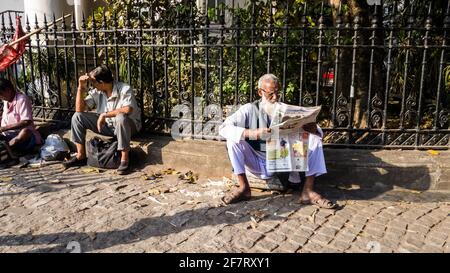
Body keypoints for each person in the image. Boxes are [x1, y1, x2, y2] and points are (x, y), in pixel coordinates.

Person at [218, 73, 337, 209]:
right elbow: (224, 128)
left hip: (282, 160)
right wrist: (252, 133)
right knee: (233, 141)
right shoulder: (249, 109)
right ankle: (244, 187)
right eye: (271, 94)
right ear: (260, 92)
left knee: (315, 139)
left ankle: (307, 191)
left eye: (277, 93)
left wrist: (313, 128)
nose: (275, 98)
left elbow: (315, 133)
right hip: (257, 161)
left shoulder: (285, 109)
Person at [63, 65, 141, 175]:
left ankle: (124, 159)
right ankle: (80, 155)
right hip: (108, 126)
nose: (92, 84)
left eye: (93, 82)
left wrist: (104, 115)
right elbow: (79, 109)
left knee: (120, 117)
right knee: (77, 116)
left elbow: (127, 109)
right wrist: (80, 88)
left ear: (101, 82)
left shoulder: (124, 88)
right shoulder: (97, 92)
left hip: (128, 126)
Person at [0, 78, 43, 156]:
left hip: (24, 137)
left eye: (1, 94)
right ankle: (7, 149)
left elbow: (26, 121)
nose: (0, 97)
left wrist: (4, 128)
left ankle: (7, 149)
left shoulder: (22, 99)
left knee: (25, 132)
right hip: (7, 135)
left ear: (8, 90)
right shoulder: (6, 101)